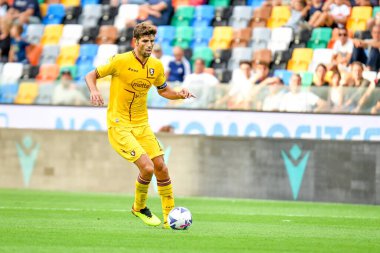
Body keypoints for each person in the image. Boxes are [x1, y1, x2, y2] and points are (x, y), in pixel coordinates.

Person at [85, 22, 195, 229]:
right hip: (119, 125)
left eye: (152, 41)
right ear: (135, 42)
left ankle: (168, 217)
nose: (149, 45)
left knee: (161, 166)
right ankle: (139, 207)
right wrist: (94, 90)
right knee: (147, 167)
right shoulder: (120, 61)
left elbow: (163, 90)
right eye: (145, 41)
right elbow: (90, 75)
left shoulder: (156, 66)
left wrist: (179, 93)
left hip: (141, 124)